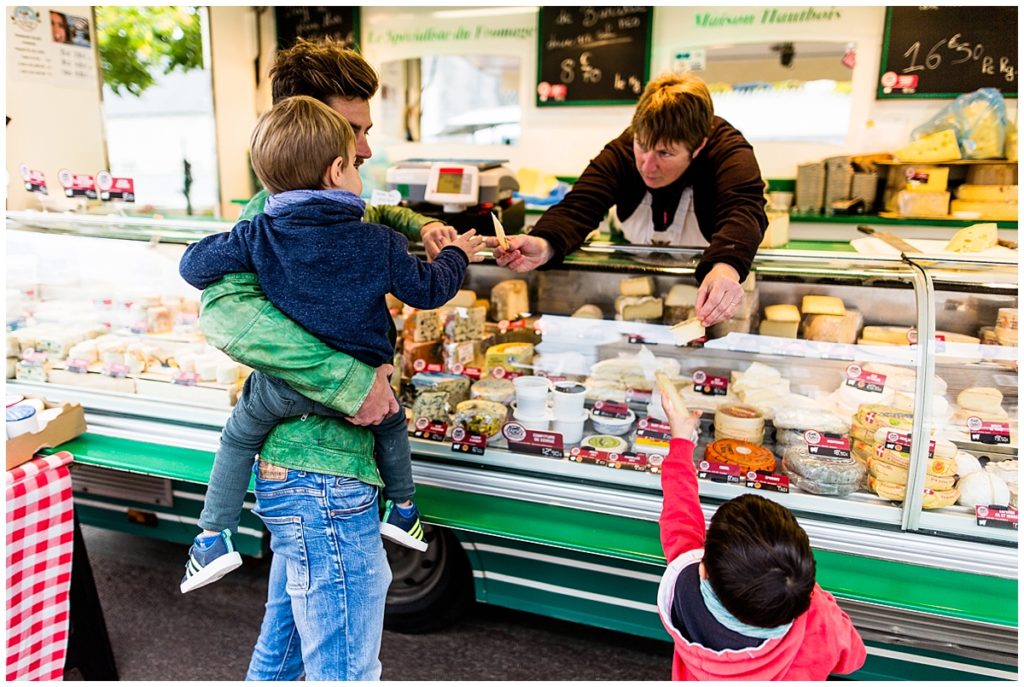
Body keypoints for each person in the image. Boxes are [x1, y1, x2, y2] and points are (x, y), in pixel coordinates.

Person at [190, 39, 465, 680]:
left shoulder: (306, 213)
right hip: (318, 475)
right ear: (315, 138)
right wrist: (351, 381)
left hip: (311, 469)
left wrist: (416, 224)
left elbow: (370, 212)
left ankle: (211, 535)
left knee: (283, 658)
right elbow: (223, 314)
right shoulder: (262, 224)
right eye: (354, 132)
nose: (366, 148)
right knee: (344, 670)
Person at [487, 72, 768, 328]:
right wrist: (543, 242)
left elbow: (744, 209)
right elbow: (581, 204)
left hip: (706, 293)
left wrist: (725, 269)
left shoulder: (730, 151)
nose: (647, 165)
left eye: (665, 154)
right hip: (636, 294)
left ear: (698, 147)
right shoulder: (623, 147)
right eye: (642, 147)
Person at [655, 389, 866, 680]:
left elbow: (680, 514)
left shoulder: (684, 593)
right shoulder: (817, 619)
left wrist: (680, 442)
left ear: (704, 569)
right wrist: (810, 596)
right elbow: (853, 657)